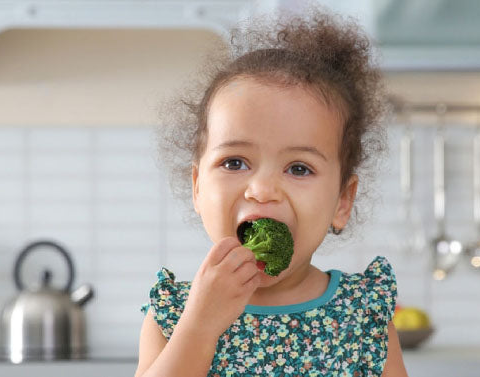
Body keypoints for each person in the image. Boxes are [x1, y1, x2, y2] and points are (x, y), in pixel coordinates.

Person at [135, 6, 407, 377]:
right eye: (234, 162)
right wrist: (199, 325)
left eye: (299, 168)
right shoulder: (174, 311)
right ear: (197, 187)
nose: (262, 190)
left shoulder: (363, 314)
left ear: (342, 201)